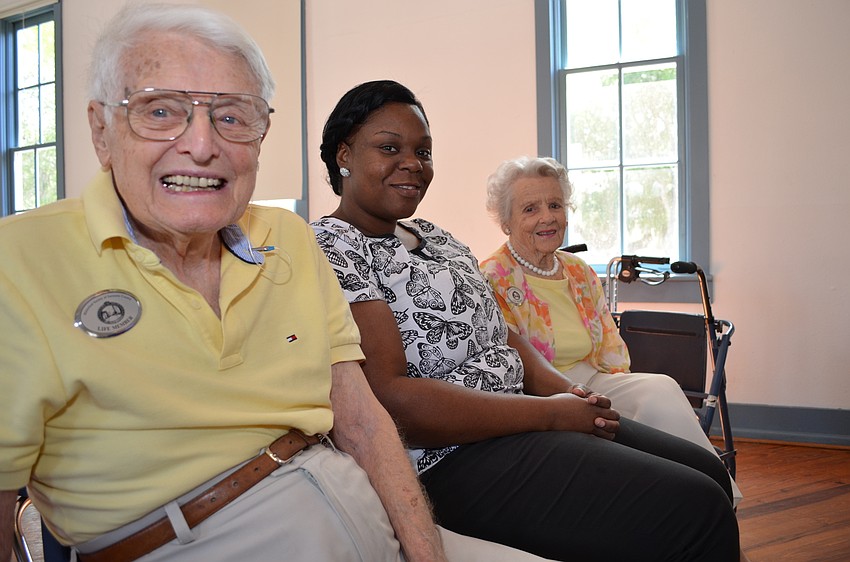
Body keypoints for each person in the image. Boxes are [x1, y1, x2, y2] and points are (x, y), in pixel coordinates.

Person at [0, 6, 549, 562]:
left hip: (366, 515)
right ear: (101, 131)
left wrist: (426, 555)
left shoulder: (287, 237)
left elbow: (361, 421)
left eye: (232, 116)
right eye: (160, 110)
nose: (201, 145)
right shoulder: (19, 262)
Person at [311, 79, 744, 561]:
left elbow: (502, 334)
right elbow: (392, 400)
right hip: (451, 457)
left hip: (521, 417)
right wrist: (550, 414)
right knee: (698, 509)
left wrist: (568, 391)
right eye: (390, 148)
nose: (413, 163)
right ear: (344, 154)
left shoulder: (434, 236)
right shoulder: (332, 247)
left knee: (709, 472)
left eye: (423, 151)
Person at [479, 156, 742, 503]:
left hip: (593, 379)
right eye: (530, 209)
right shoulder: (491, 277)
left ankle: (716, 493)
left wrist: (613, 396)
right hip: (542, 397)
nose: (547, 217)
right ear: (506, 222)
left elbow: (609, 346)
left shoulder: (578, 270)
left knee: (659, 388)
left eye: (555, 205)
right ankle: (689, 500)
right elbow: (510, 364)